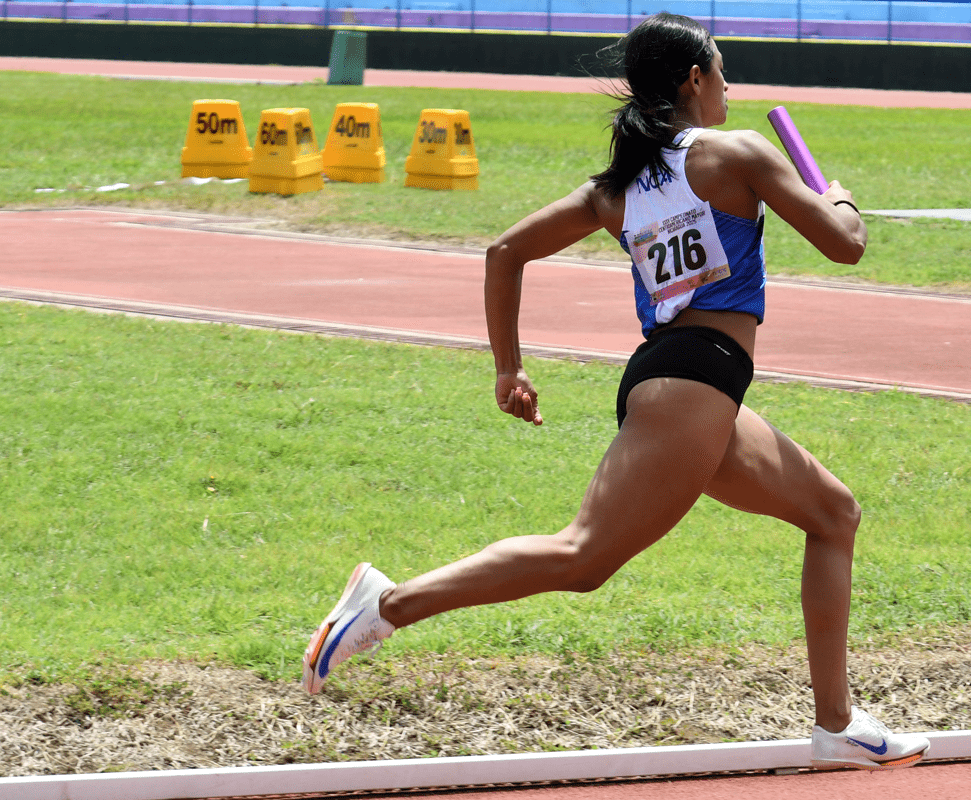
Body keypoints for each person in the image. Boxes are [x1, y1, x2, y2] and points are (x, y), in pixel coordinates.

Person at [302, 12, 930, 771]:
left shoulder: (616, 187)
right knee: (583, 558)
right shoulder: (741, 154)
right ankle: (388, 604)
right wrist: (842, 198)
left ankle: (837, 725)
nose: (729, 86)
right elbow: (847, 247)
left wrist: (510, 368)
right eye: (723, 71)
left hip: (692, 385)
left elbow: (506, 252)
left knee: (833, 513)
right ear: (694, 80)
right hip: (693, 383)